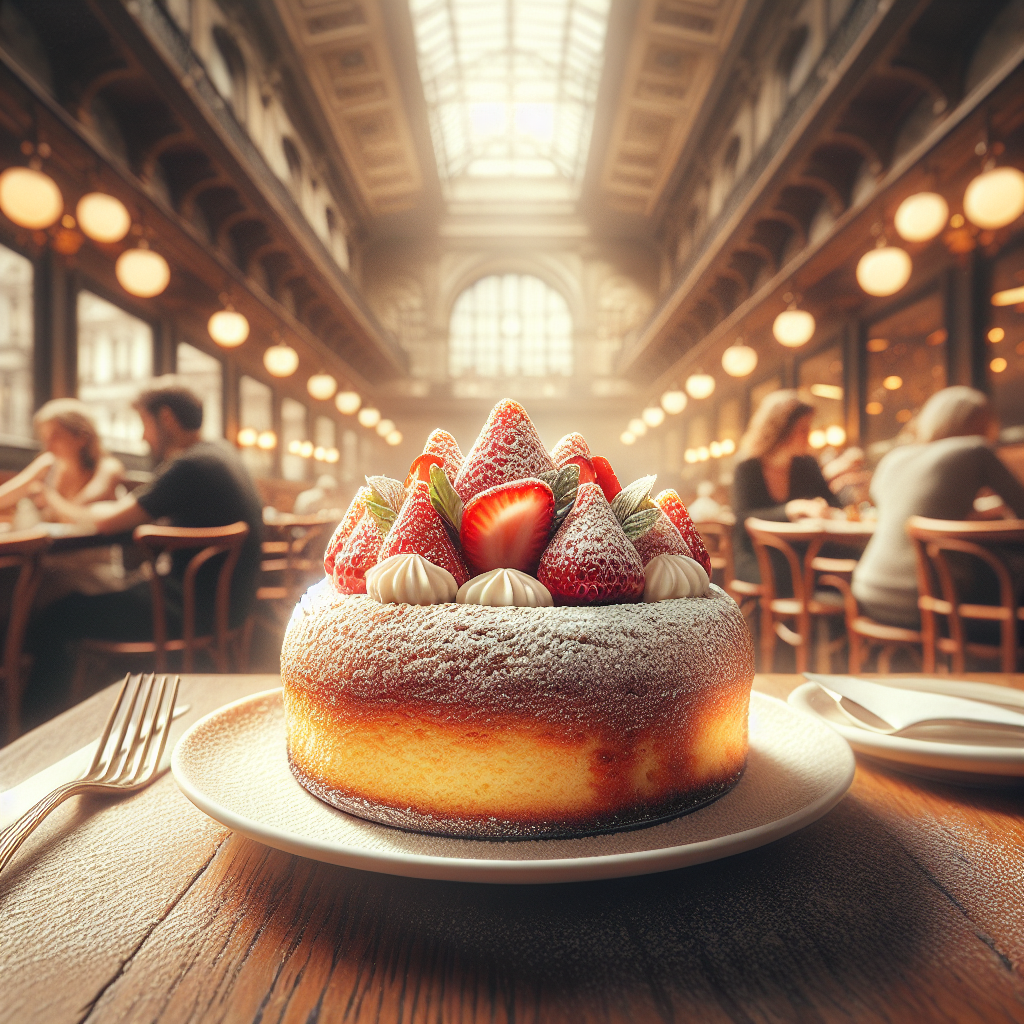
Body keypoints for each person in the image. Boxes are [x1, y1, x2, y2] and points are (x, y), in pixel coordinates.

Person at [24, 382, 264, 722]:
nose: (143, 437)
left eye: (144, 424)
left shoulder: (190, 465)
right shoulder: (220, 453)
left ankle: (38, 730)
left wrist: (54, 503)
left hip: (190, 608)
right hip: (227, 606)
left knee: (55, 616)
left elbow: (107, 523)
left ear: (165, 418)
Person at [852, 386, 1024, 629]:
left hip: (868, 591)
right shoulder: (975, 448)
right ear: (981, 421)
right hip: (929, 602)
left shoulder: (895, 457)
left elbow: (903, 511)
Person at [731, 390, 843, 587]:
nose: (809, 436)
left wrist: (822, 507)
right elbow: (742, 519)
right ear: (780, 429)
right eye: (803, 429)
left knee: (850, 562)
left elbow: (834, 503)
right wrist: (791, 509)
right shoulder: (747, 467)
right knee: (808, 574)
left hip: (804, 550)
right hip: (758, 555)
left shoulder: (807, 464)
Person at [0, 399, 125, 513]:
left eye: (56, 436)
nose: (48, 445)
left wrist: (49, 498)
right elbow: (5, 497)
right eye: (45, 437)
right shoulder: (48, 463)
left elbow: (80, 509)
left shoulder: (108, 467)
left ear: (82, 437)